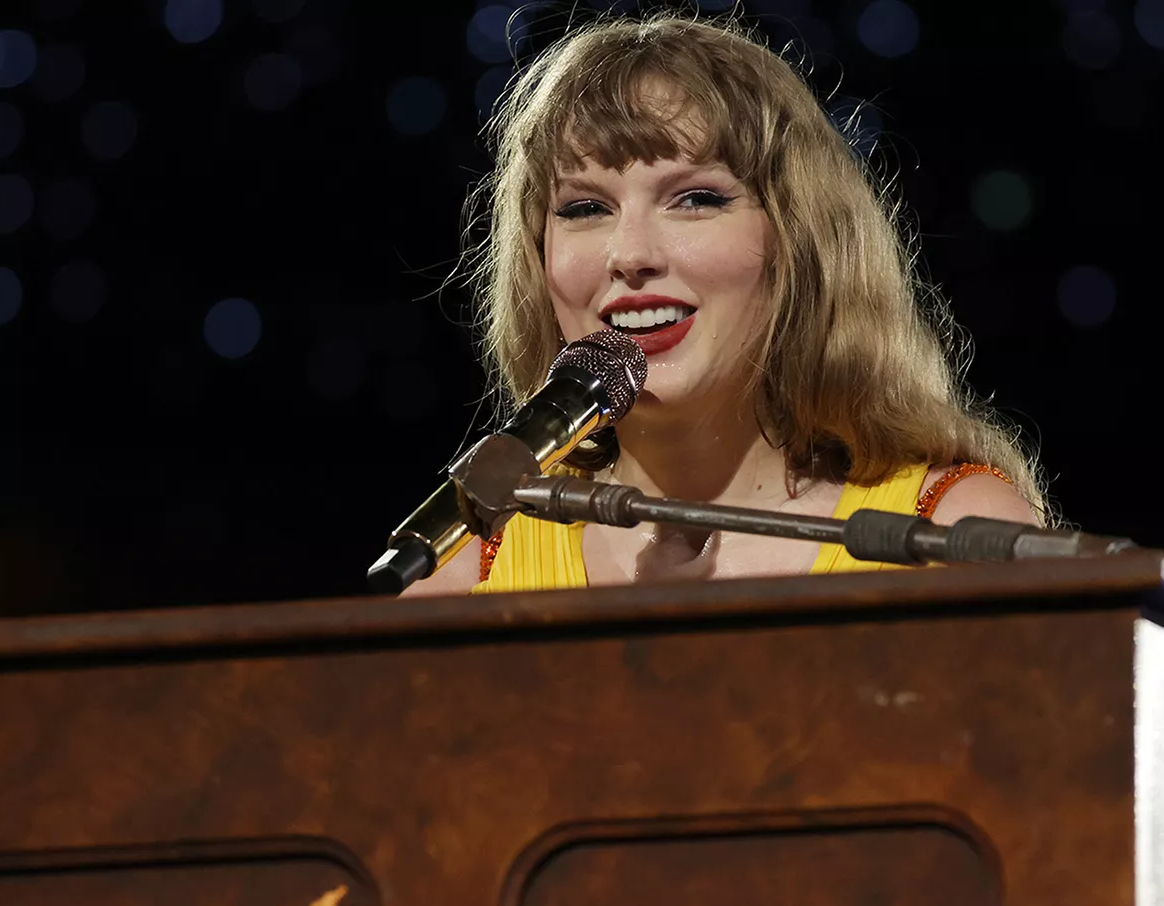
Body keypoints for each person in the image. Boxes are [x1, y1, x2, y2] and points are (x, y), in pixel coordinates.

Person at [407, 14, 1050, 597]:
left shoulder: (952, 535)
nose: (628, 254)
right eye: (585, 209)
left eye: (695, 199)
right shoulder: (464, 569)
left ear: (798, 241)